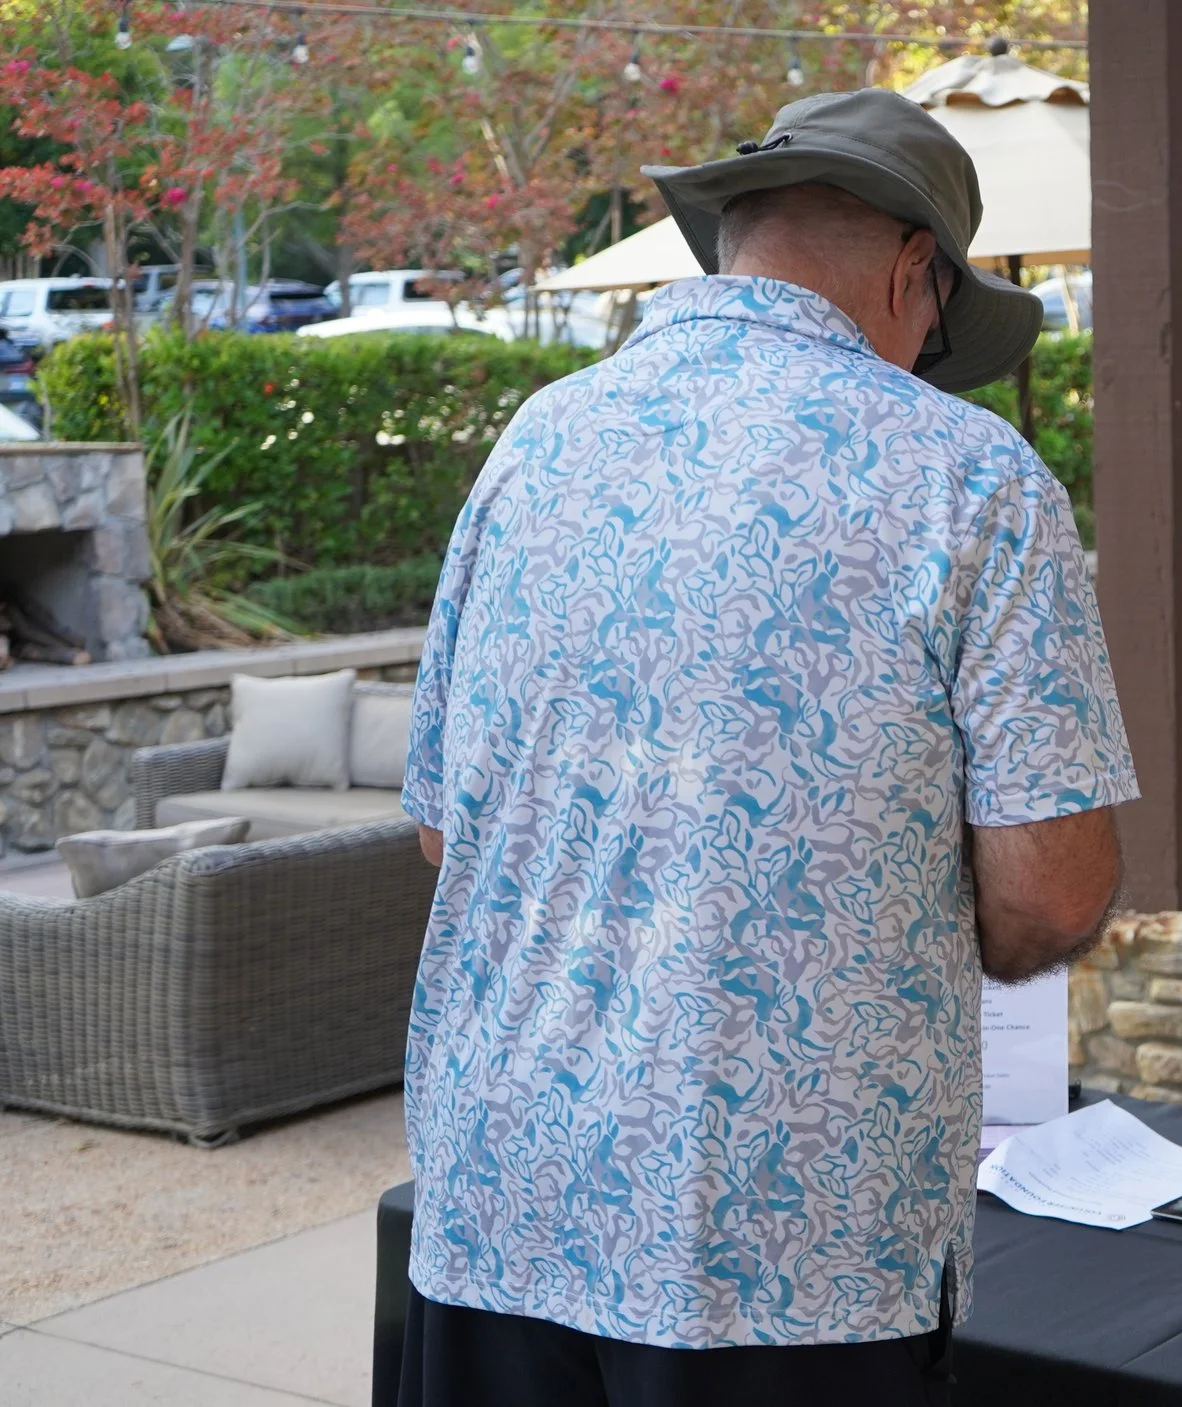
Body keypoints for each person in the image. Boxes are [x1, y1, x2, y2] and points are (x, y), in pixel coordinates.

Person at [394, 90, 1137, 1406]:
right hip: (791, 1242)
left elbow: (445, 831)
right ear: (917, 271)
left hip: (503, 1190)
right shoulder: (972, 476)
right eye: (942, 325)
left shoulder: (531, 447)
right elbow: (1051, 891)